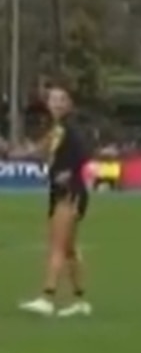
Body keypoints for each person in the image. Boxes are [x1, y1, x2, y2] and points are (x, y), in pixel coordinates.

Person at [20, 85, 92, 317]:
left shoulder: (70, 129)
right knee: (69, 249)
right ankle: (80, 301)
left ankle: (47, 298)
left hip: (69, 192)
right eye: (53, 99)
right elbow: (38, 150)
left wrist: (69, 172)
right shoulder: (57, 129)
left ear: (69, 104)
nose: (57, 103)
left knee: (57, 246)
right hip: (61, 192)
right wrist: (21, 151)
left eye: (62, 99)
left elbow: (83, 154)